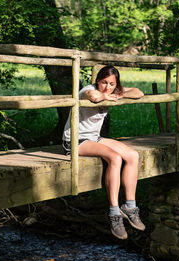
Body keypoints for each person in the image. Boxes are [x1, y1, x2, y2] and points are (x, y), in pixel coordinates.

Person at [62, 65, 145, 239]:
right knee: (114, 157)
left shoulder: (115, 89)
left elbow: (139, 93)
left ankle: (130, 206)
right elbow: (93, 96)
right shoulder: (88, 89)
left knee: (132, 155)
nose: (107, 87)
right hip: (75, 140)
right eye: (103, 82)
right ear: (97, 81)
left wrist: (120, 93)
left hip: (94, 138)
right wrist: (107, 95)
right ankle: (114, 213)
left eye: (112, 84)